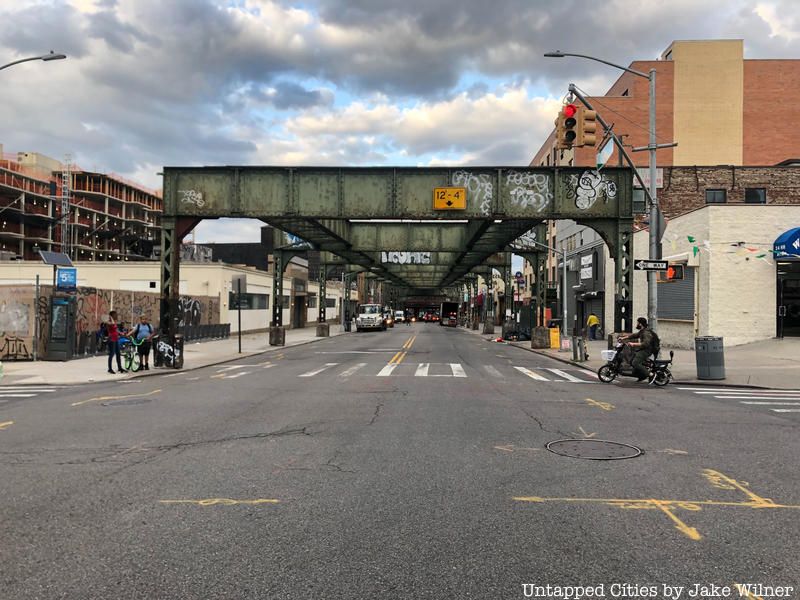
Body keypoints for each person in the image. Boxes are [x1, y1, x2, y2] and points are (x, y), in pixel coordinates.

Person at [621, 317, 657, 382]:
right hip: (643, 349)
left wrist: (633, 344)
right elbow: (635, 335)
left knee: (635, 363)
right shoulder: (642, 331)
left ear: (640, 324)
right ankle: (642, 375)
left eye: (637, 323)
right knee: (632, 360)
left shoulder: (646, 332)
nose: (637, 324)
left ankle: (651, 375)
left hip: (646, 350)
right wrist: (624, 338)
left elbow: (646, 344)